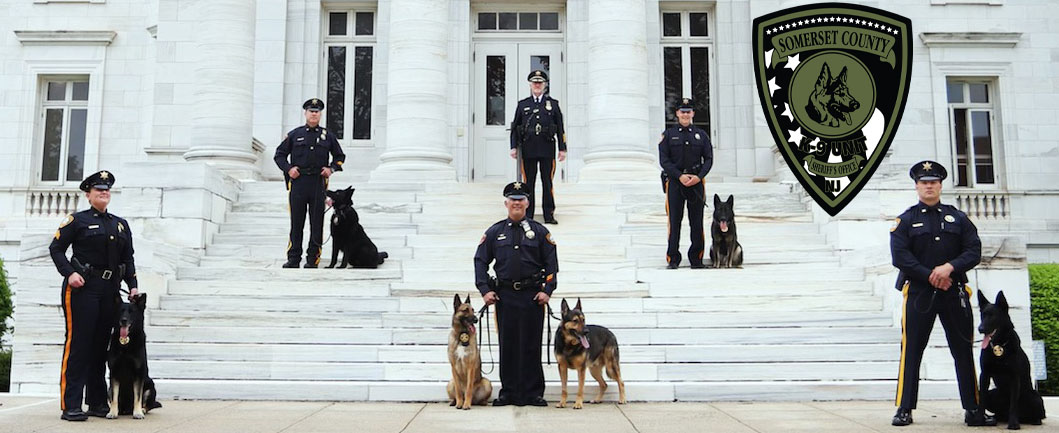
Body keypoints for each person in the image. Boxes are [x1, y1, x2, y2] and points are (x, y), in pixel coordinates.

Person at [890, 160, 995, 427]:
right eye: (924, 182)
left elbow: (973, 251)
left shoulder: (958, 217)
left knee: (962, 350)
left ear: (940, 186)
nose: (929, 186)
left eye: (933, 182)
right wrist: (931, 276)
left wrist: (949, 268)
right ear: (916, 186)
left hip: (954, 292)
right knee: (911, 350)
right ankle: (904, 408)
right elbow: (900, 257)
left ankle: (972, 409)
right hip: (918, 293)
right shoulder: (905, 220)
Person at [49, 170, 139, 421]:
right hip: (83, 288)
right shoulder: (76, 221)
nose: (104, 193)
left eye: (107, 189)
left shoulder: (120, 224)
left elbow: (127, 259)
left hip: (110, 291)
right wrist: (69, 274)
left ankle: (98, 402)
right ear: (88, 195)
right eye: (99, 190)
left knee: (101, 347)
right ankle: (71, 405)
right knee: (79, 345)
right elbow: (56, 249)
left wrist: (132, 285)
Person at [474, 181, 559, 406]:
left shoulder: (540, 232)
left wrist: (548, 290)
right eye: (513, 199)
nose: (517, 203)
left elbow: (551, 264)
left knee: (532, 345)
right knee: (508, 344)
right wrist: (485, 289)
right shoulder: (495, 232)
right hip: (505, 296)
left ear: (528, 203)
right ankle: (509, 392)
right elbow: (480, 261)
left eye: (521, 199)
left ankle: (533, 393)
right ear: (506, 203)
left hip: (532, 296)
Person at [274, 98, 346, 268]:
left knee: (316, 223)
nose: (314, 113)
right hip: (298, 183)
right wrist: (289, 168)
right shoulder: (295, 134)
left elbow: (339, 157)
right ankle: (293, 259)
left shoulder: (328, 136)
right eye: (311, 111)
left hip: (317, 184)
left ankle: (313, 259)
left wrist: (331, 169)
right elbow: (279, 155)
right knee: (296, 223)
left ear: (320, 114)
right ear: (305, 113)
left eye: (317, 111)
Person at [658, 98, 713, 269]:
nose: (685, 114)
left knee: (696, 221)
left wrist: (699, 176)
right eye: (682, 111)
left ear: (693, 114)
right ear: (677, 113)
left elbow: (709, 159)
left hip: (696, 182)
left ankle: (696, 258)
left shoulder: (701, 135)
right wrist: (679, 176)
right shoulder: (668, 135)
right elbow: (664, 160)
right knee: (674, 221)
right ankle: (673, 258)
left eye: (688, 111)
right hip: (675, 183)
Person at [510, 69, 566, 224]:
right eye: (534, 82)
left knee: (547, 182)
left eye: (540, 83)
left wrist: (562, 148)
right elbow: (515, 127)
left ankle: (549, 214)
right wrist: (513, 147)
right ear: (530, 85)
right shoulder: (523, 105)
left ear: (544, 85)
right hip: (528, 149)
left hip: (547, 148)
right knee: (529, 183)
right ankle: (528, 215)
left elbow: (560, 127)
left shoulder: (553, 104)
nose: (537, 85)